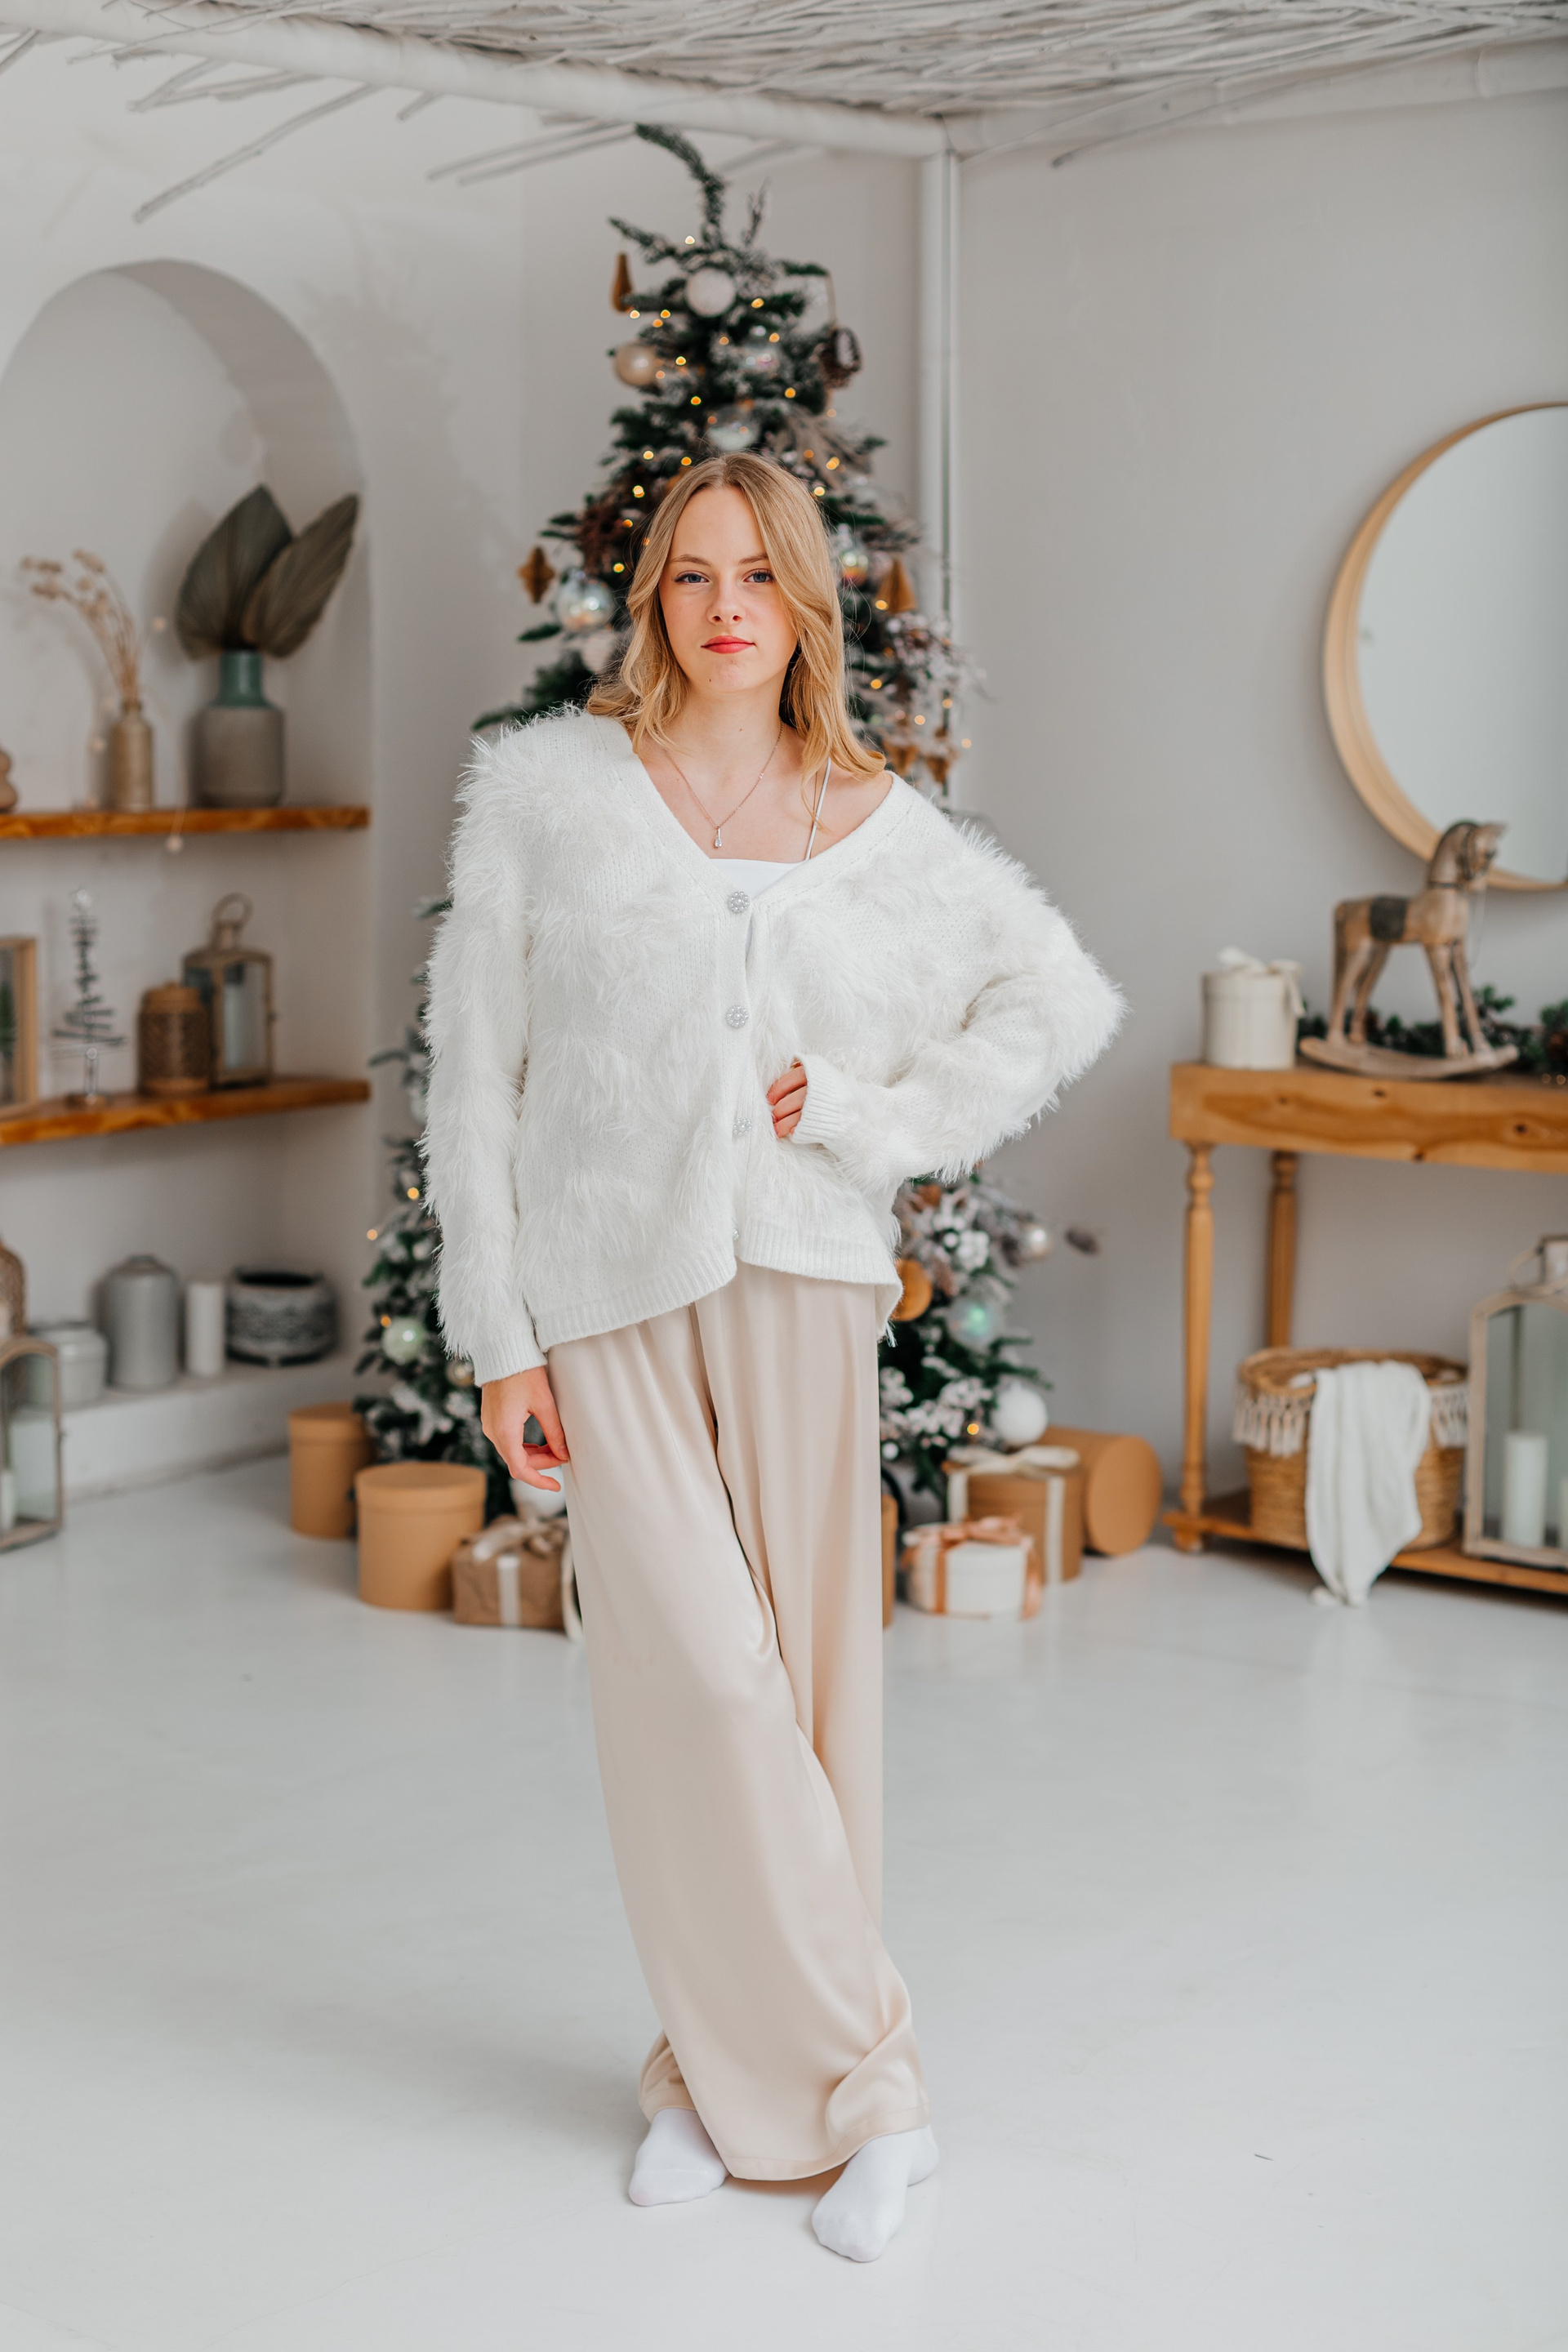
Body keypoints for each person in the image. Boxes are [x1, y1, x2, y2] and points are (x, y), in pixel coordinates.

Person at [422, 451, 1120, 2262]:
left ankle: (730, 2082)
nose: (724, 606)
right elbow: (473, 1080)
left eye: (756, 575)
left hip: (805, 1278)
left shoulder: (880, 823)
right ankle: (853, 2091)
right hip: (604, 1289)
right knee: (690, 1693)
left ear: (807, 603)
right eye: (690, 574)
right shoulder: (546, 795)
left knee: (811, 1707)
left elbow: (1060, 1000)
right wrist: (498, 1340)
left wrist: (882, 1117)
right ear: (650, 598)